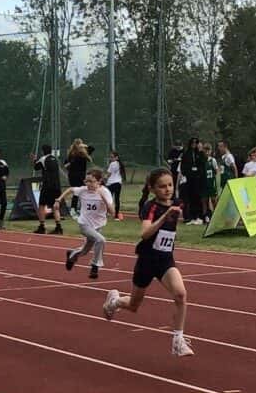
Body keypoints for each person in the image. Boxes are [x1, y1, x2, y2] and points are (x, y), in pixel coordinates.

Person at [102, 167, 192, 357]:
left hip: (165, 259)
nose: (167, 189)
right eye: (162, 186)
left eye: (170, 185)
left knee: (181, 294)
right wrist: (164, 217)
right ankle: (114, 302)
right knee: (134, 305)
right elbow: (144, 233)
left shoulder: (177, 202)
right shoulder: (150, 207)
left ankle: (178, 341)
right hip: (147, 261)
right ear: (152, 189)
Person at [61, 166, 115, 280]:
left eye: (91, 181)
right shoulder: (83, 190)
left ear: (99, 181)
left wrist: (103, 198)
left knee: (85, 250)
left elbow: (112, 212)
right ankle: (95, 266)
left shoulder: (105, 192)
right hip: (84, 224)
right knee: (101, 240)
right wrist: (58, 200)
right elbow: (70, 189)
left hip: (98, 225)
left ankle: (72, 255)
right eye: (87, 181)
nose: (88, 184)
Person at [33, 145, 63, 235]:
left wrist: (34, 160)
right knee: (55, 206)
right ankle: (58, 227)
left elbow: (36, 167)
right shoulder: (55, 159)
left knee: (41, 205)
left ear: (43, 151)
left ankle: (42, 227)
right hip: (57, 186)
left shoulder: (43, 159)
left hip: (47, 186)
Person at [180, 136, 207, 223]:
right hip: (189, 179)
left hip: (198, 179)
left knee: (198, 198)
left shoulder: (200, 154)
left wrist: (198, 172)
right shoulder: (186, 154)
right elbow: (183, 166)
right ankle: (190, 216)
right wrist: (188, 172)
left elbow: (203, 164)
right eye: (193, 143)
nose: (194, 144)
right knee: (190, 198)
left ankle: (199, 215)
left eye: (196, 143)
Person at [104, 151, 125, 219]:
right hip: (118, 183)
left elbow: (108, 174)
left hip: (111, 183)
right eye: (110, 157)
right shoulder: (120, 164)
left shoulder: (112, 164)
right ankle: (116, 216)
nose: (111, 158)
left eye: (112, 157)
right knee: (117, 199)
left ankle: (106, 213)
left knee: (108, 199)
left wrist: (104, 178)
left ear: (116, 157)